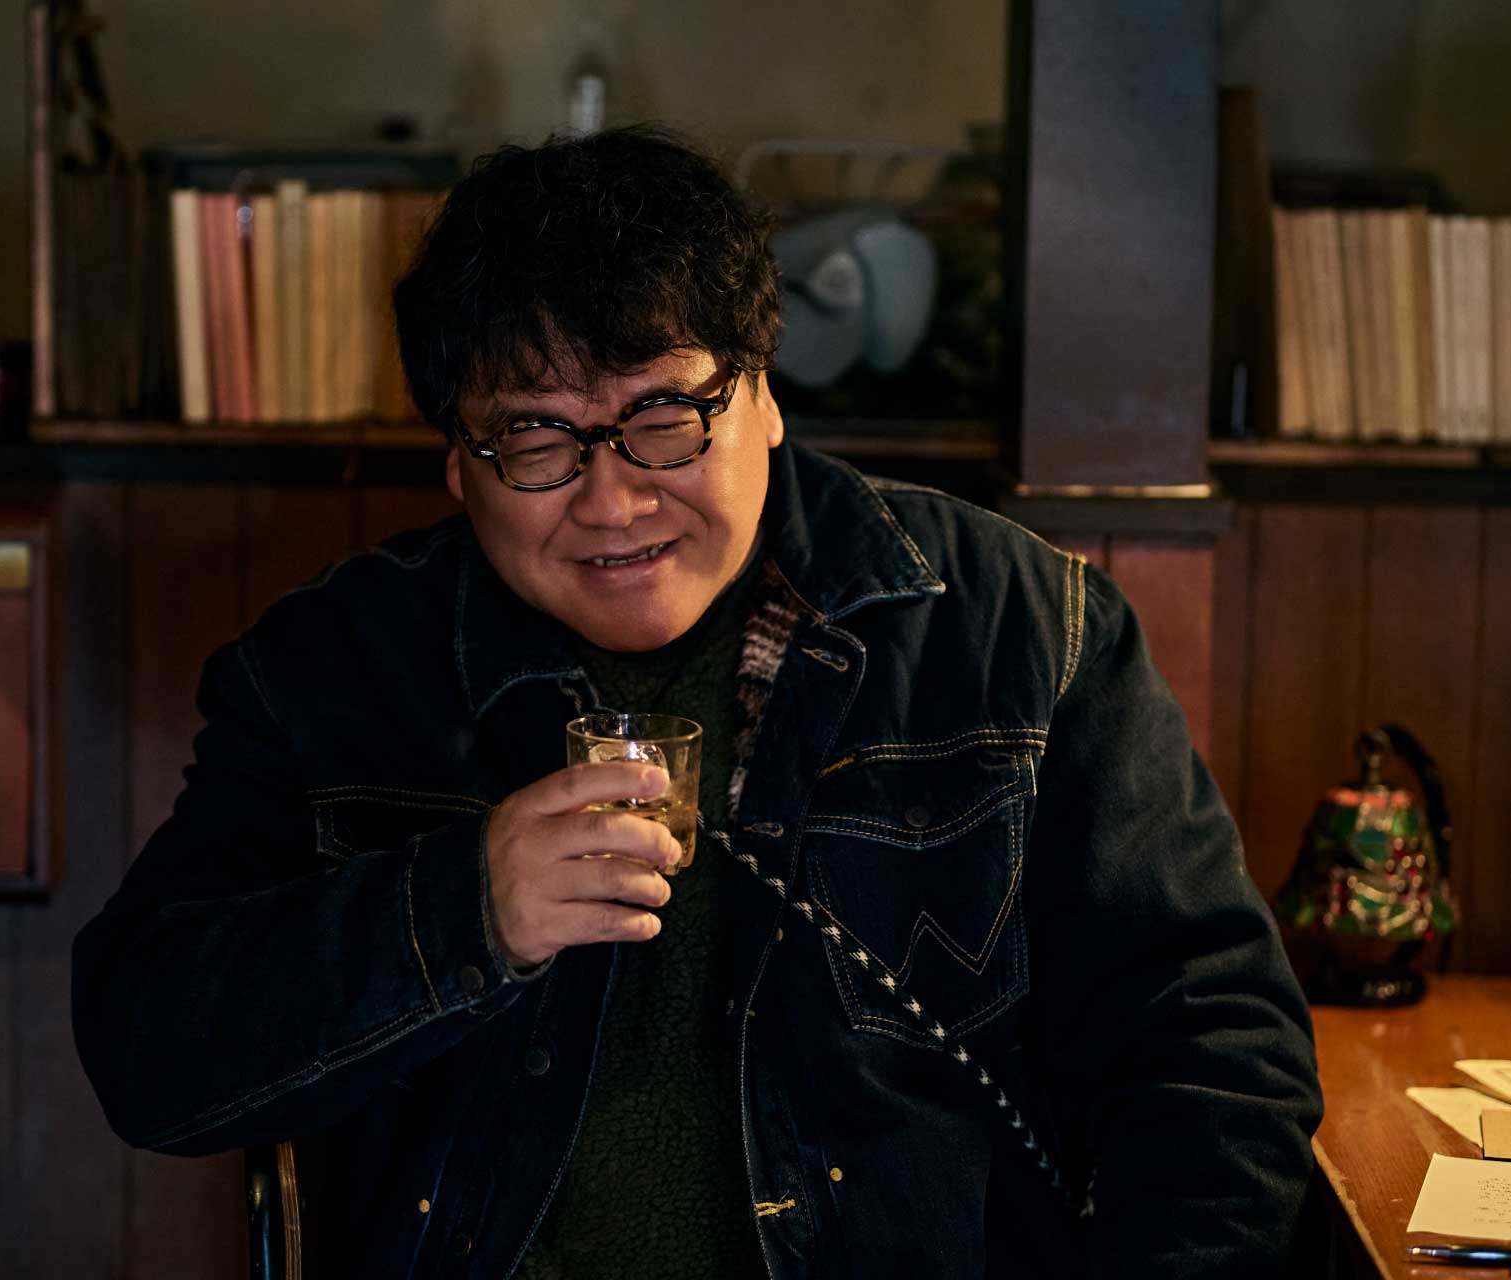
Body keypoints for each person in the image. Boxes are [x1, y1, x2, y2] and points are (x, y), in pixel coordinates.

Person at [72, 125, 1323, 1278]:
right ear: (458, 461)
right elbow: (146, 1053)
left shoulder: (1018, 630)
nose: (613, 501)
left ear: (764, 394)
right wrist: (462, 908)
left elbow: (1218, 1052)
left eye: (664, 418)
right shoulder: (332, 669)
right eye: (536, 440)